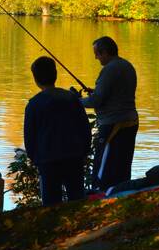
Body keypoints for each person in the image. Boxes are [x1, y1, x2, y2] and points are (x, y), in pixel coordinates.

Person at [23, 56, 91, 206]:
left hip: (48, 160)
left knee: (51, 203)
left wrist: (34, 158)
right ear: (55, 75)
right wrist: (85, 150)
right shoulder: (72, 99)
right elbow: (85, 127)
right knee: (77, 198)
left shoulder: (34, 104)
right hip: (74, 156)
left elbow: (29, 137)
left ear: (36, 79)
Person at [80, 36, 138, 191]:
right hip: (130, 121)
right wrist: (96, 92)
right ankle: (120, 192)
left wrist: (76, 101)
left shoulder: (110, 69)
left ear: (105, 52)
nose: (96, 57)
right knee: (122, 165)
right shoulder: (126, 65)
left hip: (114, 124)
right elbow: (118, 93)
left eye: (97, 54)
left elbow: (96, 101)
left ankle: (100, 194)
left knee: (104, 166)